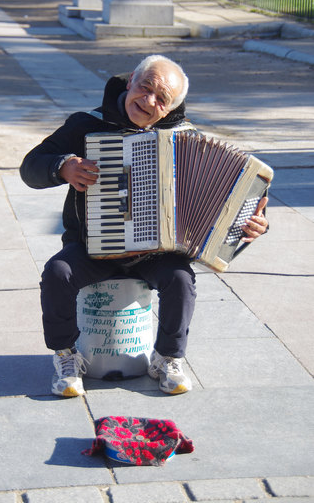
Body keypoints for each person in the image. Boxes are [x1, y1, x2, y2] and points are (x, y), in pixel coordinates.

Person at [20, 55, 268, 398]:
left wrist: (248, 226)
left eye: (161, 99)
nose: (148, 101)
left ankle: (167, 357)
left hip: (156, 252)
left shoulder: (184, 139)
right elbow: (30, 166)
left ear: (169, 110)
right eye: (145, 87)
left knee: (180, 279)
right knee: (57, 273)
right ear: (131, 80)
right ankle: (66, 355)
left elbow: (222, 203)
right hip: (93, 246)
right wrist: (63, 167)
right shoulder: (86, 126)